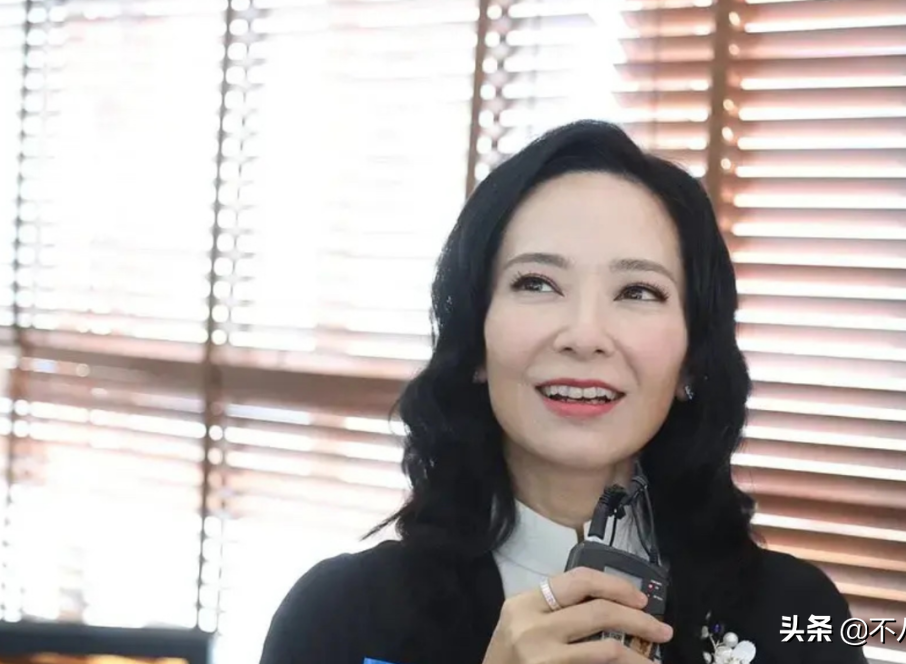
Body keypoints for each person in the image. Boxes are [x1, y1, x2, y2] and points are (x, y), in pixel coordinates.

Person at [258, 120, 868, 664]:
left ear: (691, 360)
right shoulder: (340, 617)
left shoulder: (796, 616)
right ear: (474, 341)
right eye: (537, 283)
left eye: (638, 292)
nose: (584, 335)